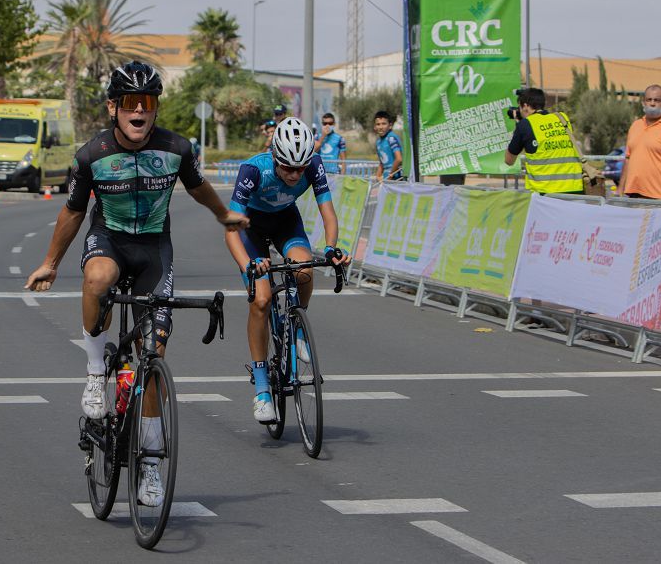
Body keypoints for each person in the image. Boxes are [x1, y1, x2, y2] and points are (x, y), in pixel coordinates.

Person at [24, 61, 247, 507]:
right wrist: (50, 263)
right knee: (99, 278)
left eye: (147, 103)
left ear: (156, 109)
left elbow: (198, 187)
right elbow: (71, 213)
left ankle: (148, 466)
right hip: (109, 240)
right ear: (114, 108)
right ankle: (93, 374)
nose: (139, 111)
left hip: (153, 251)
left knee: (153, 359)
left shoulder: (177, 149)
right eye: (130, 103)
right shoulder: (92, 155)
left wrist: (222, 214)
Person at [223, 117, 351, 422]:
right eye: (287, 168)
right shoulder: (253, 170)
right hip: (249, 227)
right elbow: (230, 229)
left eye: (300, 168)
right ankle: (263, 389)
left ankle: (296, 326)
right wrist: (250, 264)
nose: (295, 175)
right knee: (262, 299)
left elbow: (328, 213)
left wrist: (332, 247)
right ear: (275, 157)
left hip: (284, 221)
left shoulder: (314, 165)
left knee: (305, 269)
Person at [503, 88, 584, 195]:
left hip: (544, 193)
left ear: (526, 106)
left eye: (520, 107)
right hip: (574, 190)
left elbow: (509, 160)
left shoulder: (525, 125)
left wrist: (518, 124)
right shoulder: (562, 117)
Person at [373, 111, 404, 181]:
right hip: (386, 178)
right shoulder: (378, 142)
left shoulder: (391, 138)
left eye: (384, 124)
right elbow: (382, 162)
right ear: (375, 127)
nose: (381, 127)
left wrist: (390, 176)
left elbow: (399, 159)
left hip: (396, 178)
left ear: (390, 126)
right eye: (378, 124)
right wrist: (377, 176)